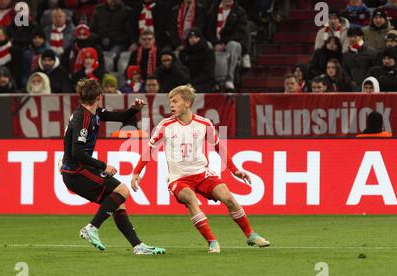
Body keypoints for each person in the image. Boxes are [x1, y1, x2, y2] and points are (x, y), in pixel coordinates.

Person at [131, 84, 269, 253]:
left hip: (203, 174)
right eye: (170, 102)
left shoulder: (204, 124)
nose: (171, 105)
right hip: (178, 178)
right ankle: (212, 242)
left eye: (175, 101)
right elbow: (149, 150)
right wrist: (136, 172)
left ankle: (251, 235)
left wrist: (235, 170)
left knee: (230, 199)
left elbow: (219, 147)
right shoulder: (165, 125)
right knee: (191, 200)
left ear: (187, 103)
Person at [60, 78, 165, 255]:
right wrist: (103, 166)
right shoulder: (83, 119)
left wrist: (134, 110)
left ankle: (138, 246)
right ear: (99, 96)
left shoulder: (93, 112)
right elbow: (77, 151)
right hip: (77, 172)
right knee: (123, 191)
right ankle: (91, 228)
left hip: (79, 170)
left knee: (117, 203)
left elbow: (119, 117)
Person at [205, 0, 250, 90]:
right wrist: (216, 43)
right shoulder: (213, 11)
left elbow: (240, 32)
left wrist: (224, 43)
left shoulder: (240, 12)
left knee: (233, 45)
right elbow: (207, 31)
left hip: (232, 42)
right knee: (206, 45)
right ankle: (211, 80)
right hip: (216, 42)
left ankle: (229, 79)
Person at [179, 27, 215, 93]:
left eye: (196, 37)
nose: (193, 39)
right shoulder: (183, 53)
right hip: (186, 82)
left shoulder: (208, 53)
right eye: (191, 37)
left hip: (203, 83)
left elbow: (208, 73)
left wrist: (191, 82)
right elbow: (181, 68)